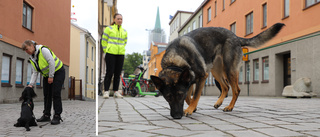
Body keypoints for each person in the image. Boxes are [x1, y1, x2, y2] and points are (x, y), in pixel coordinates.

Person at [22, 40, 65, 125]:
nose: (26, 52)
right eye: (25, 51)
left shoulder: (43, 50)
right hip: (47, 75)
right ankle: (46, 115)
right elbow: (35, 72)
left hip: (58, 71)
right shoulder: (32, 57)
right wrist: (31, 84)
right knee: (47, 94)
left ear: (32, 45)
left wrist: (51, 76)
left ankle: (57, 115)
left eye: (27, 49)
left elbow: (51, 62)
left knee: (55, 93)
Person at [101, 13, 128, 99]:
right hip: (110, 53)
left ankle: (116, 91)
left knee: (117, 73)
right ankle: (106, 91)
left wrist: (122, 49)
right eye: (118, 19)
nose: (120, 20)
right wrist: (106, 51)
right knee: (109, 72)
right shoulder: (109, 29)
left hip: (120, 54)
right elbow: (104, 41)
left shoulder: (124, 31)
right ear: (114, 19)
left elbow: (125, 42)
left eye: (121, 19)